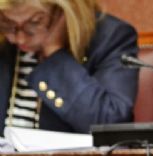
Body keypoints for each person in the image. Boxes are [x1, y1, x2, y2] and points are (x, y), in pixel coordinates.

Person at [0, 0, 138, 136]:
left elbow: (110, 126)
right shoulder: (5, 42)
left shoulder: (111, 37)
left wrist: (54, 53)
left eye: (35, 22)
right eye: (7, 23)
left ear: (65, 10)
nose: (20, 39)